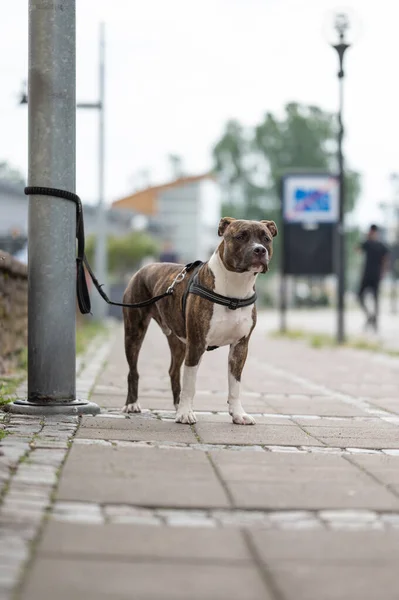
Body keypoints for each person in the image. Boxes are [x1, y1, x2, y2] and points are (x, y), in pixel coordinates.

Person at [357, 224, 389, 331]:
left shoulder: (381, 246)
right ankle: (369, 317)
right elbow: (357, 250)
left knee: (376, 299)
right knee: (359, 296)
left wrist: (383, 273)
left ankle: (375, 321)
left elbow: (385, 260)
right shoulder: (367, 243)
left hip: (376, 275)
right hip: (366, 275)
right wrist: (365, 238)